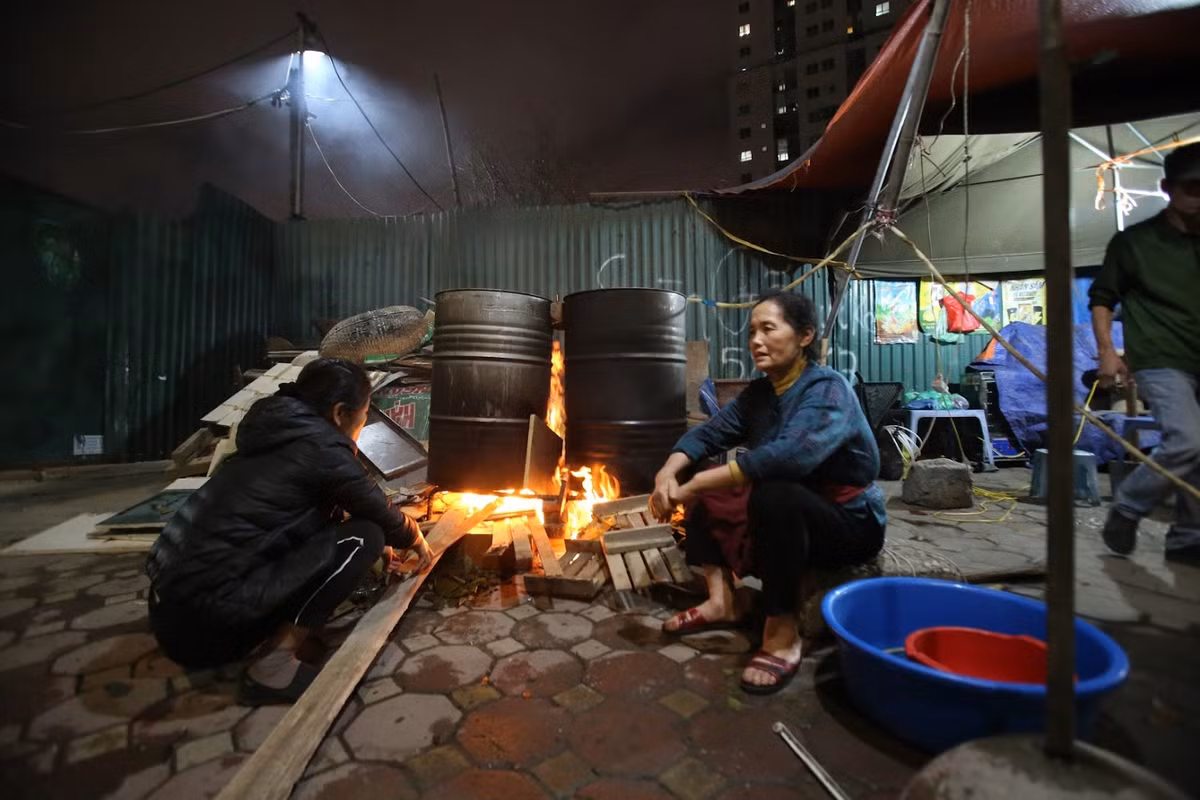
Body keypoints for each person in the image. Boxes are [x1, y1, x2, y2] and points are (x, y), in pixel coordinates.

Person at [145, 357, 433, 704]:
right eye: (364, 414)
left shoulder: (275, 431)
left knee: (350, 531)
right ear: (341, 413)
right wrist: (413, 536)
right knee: (364, 537)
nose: (362, 424)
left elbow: (302, 509)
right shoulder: (321, 446)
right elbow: (380, 514)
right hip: (208, 631)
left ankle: (274, 632)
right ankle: (273, 667)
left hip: (171, 618)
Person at [649, 291, 885, 694]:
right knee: (715, 481)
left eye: (768, 329)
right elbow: (710, 432)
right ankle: (722, 601)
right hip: (793, 511)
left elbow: (791, 457)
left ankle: (782, 633)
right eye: (752, 331)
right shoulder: (761, 393)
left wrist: (698, 483)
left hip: (847, 521)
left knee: (768, 491)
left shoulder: (828, 390)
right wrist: (669, 471)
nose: (755, 340)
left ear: (805, 336)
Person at [1090, 142, 1200, 564]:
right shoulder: (1135, 243)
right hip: (1160, 357)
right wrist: (1107, 353)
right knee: (1187, 441)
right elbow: (1103, 297)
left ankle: (1189, 535)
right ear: (1168, 187)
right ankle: (1129, 504)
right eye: (1193, 187)